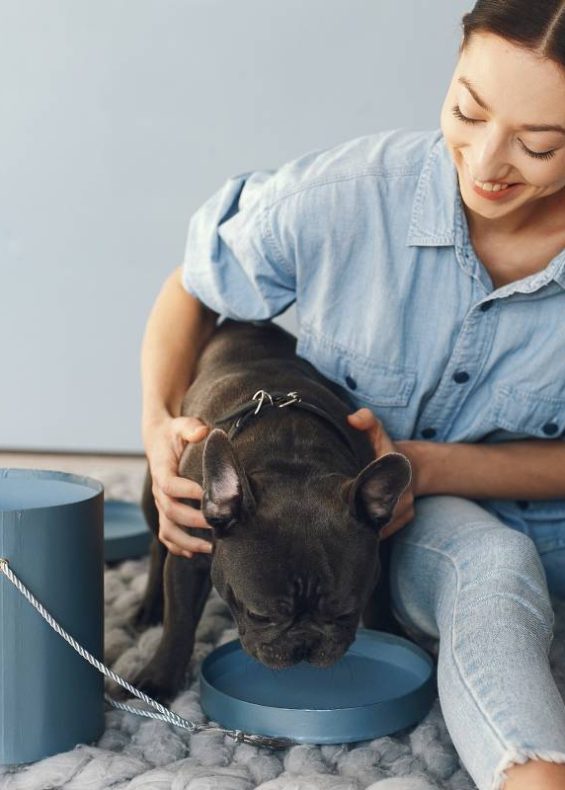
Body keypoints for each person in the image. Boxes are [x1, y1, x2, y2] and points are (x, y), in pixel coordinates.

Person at [140, 2, 565, 788]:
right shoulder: (348, 193)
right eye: (466, 111)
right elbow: (192, 286)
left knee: (502, 561)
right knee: (490, 569)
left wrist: (427, 466)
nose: (484, 163)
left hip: (508, 511)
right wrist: (161, 426)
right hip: (398, 530)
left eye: (540, 145)